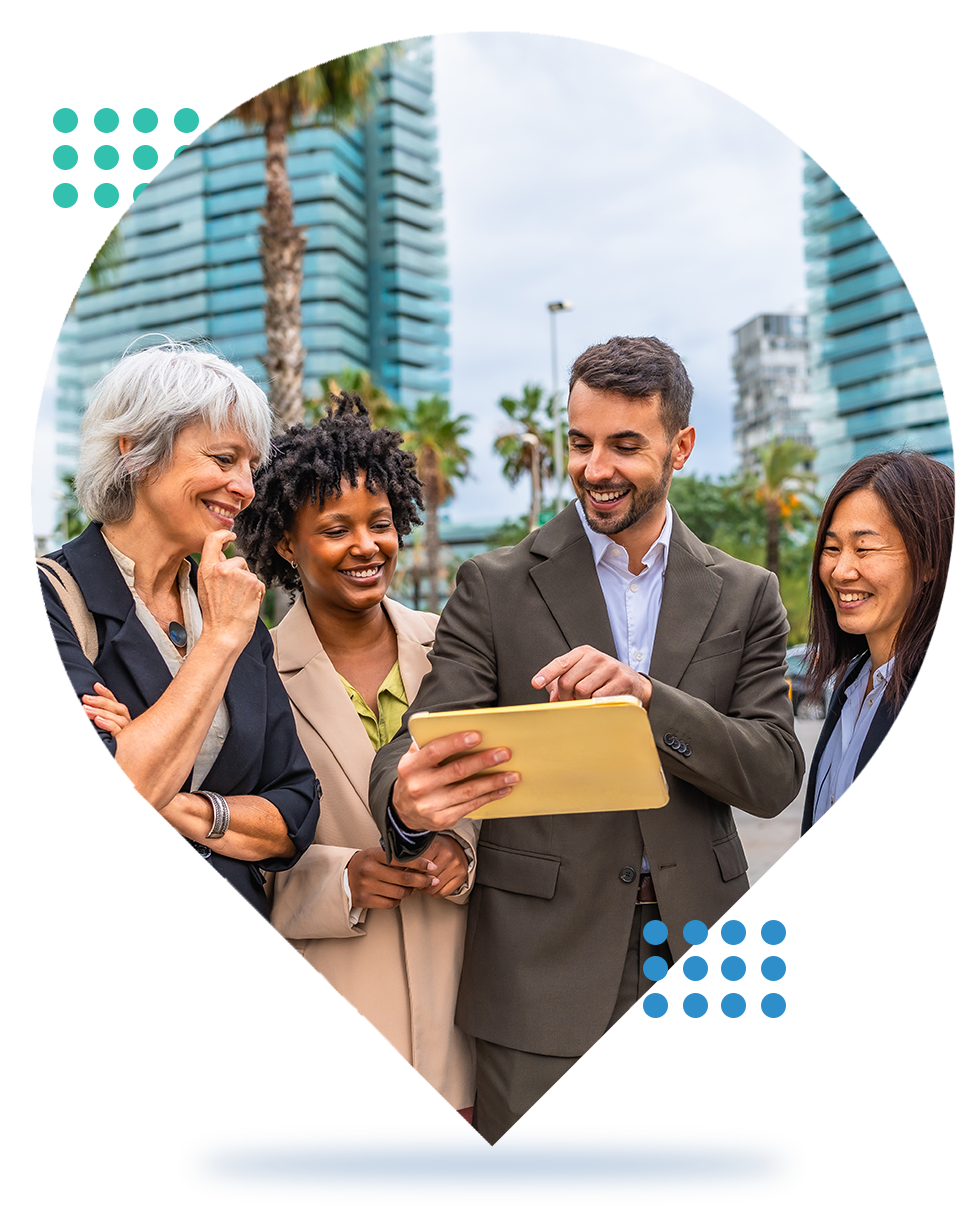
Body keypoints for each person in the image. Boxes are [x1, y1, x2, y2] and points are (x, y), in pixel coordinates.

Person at [369, 334, 805, 1144]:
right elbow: (413, 742)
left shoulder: (746, 594)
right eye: (579, 441)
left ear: (681, 446)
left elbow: (774, 773)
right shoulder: (494, 585)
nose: (594, 466)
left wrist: (648, 698)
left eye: (623, 444)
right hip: (538, 973)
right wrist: (403, 796)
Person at [234, 395, 479, 1116]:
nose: (366, 546)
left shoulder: (457, 652)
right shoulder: (250, 674)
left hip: (466, 1016)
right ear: (286, 544)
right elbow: (230, 849)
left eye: (379, 523)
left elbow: (513, 803)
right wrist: (338, 879)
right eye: (335, 529)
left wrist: (464, 850)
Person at [37, 343, 320, 919]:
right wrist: (215, 644)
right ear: (136, 449)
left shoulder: (237, 609)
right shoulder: (46, 600)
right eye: (222, 459)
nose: (245, 487)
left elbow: (295, 813)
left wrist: (163, 797)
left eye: (250, 466)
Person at [801, 450, 955, 834]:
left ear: (931, 561)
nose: (840, 570)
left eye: (864, 548)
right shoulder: (852, 684)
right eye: (832, 548)